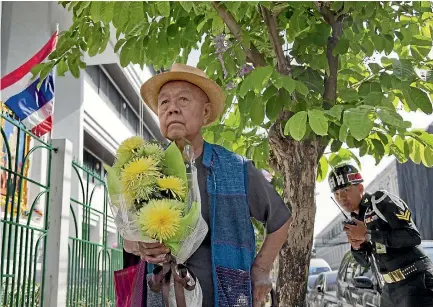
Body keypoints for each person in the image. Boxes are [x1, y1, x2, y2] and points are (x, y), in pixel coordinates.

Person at [123, 63, 292, 307]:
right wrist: (138, 244)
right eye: (164, 103)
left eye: (183, 100)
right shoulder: (143, 170)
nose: (172, 109)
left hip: (227, 297)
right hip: (161, 296)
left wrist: (261, 268)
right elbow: (127, 236)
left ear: (205, 112)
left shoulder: (236, 168)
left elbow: (280, 220)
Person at [328, 164, 433, 307]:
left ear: (360, 188)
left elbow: (412, 236)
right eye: (337, 194)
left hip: (415, 281)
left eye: (345, 190)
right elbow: (365, 262)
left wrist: (368, 234)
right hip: (389, 289)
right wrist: (356, 246)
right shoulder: (356, 220)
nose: (341, 198)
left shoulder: (379, 201)